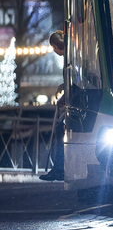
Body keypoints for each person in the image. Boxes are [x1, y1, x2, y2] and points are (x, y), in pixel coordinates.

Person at [39, 30, 66, 181]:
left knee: (59, 131)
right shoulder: (73, 56)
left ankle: (59, 168)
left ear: (55, 46)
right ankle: (58, 167)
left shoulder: (70, 58)